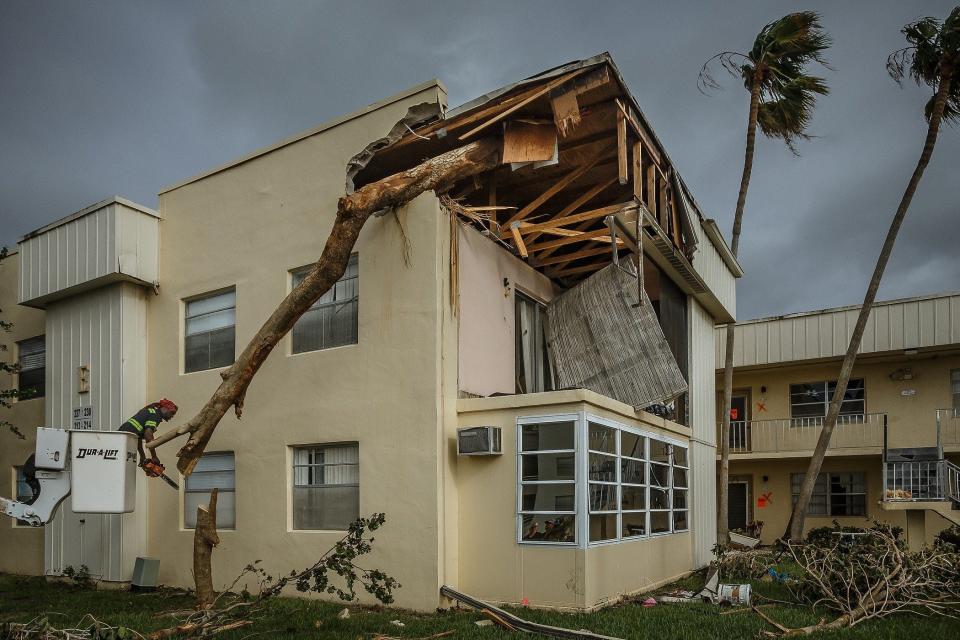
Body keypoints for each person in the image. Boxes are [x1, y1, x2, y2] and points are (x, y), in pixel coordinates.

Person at [118, 399, 178, 475]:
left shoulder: (150, 412)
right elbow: (148, 435)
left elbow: (138, 437)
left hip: (122, 439)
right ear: (164, 409)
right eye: (172, 413)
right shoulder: (155, 415)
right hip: (123, 440)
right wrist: (154, 456)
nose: (172, 416)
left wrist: (143, 456)